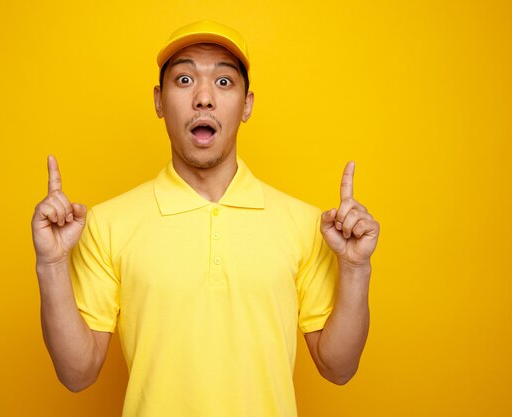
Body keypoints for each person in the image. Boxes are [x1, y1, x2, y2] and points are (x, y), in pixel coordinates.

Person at [31, 20, 380, 417]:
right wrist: (52, 264)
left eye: (224, 82)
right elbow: (77, 374)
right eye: (183, 79)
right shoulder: (107, 224)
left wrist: (355, 267)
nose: (203, 98)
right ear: (159, 101)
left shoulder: (303, 223)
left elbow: (339, 367)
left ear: (247, 104)